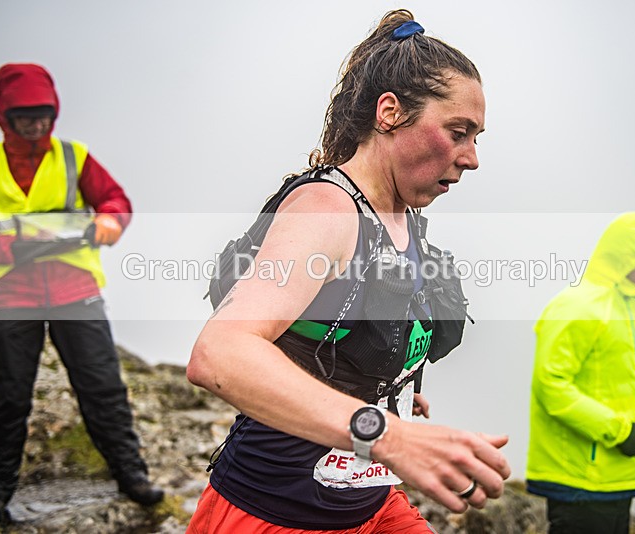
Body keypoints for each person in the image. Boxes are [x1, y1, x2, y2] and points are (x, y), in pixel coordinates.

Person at [186, 9, 511, 533]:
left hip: (373, 501)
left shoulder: (402, 218)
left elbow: (333, 340)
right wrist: (393, 436)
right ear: (390, 112)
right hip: (272, 511)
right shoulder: (328, 209)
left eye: (476, 137)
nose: (471, 157)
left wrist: (394, 388)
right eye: (458, 131)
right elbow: (218, 353)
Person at [0, 63, 163, 524]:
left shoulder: (74, 157)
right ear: (3, 116)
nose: (36, 124)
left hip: (75, 292)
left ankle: (133, 476)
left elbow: (115, 200)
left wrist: (110, 220)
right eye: (25, 116)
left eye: (43, 115)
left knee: (103, 388)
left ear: (54, 113)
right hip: (10, 296)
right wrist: (16, 247)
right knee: (6, 398)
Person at [525, 212, 635, 534]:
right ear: (630, 259)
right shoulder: (579, 306)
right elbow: (551, 385)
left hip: (612, 474)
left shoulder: (628, 308)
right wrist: (623, 433)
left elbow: (622, 390)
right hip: (581, 479)